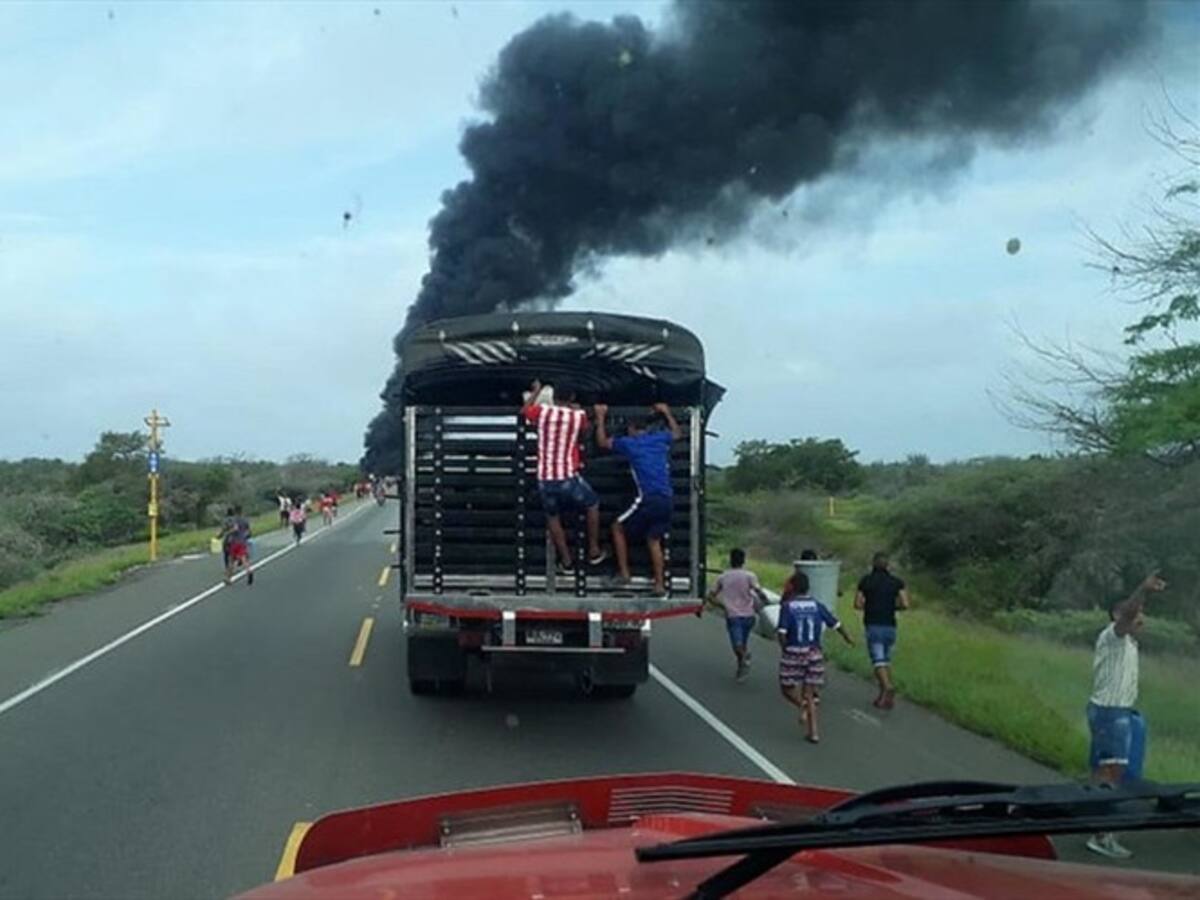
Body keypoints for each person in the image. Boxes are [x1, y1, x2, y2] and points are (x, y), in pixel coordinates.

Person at [1084, 573, 1168, 860]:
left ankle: (1093, 822)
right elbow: (1128, 612)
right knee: (1113, 772)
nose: (1140, 618)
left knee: (1104, 769)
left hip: (1114, 711)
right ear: (1120, 616)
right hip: (1110, 713)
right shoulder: (1114, 636)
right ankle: (1102, 835)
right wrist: (1142, 590)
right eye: (1137, 614)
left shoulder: (1129, 643)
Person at [594, 402, 678, 596]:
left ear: (632, 429)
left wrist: (600, 417)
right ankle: (659, 584)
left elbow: (602, 442)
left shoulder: (630, 444)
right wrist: (667, 412)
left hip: (647, 498)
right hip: (667, 499)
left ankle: (624, 573)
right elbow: (677, 434)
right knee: (653, 540)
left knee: (617, 527)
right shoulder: (659, 439)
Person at [521, 379, 606, 573]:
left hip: (544, 478)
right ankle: (593, 549)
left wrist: (535, 392)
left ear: (552, 397)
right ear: (572, 397)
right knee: (592, 504)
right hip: (567, 476)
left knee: (552, 517)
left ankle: (566, 560)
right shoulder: (578, 416)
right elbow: (586, 428)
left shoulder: (542, 412)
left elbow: (525, 412)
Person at [777, 571, 853, 743]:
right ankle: (814, 732)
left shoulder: (788, 606)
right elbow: (836, 624)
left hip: (795, 649)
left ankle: (801, 705)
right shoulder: (817, 605)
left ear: (793, 587)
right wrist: (847, 637)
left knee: (786, 688)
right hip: (814, 652)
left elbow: (782, 632)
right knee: (810, 693)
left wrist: (785, 649)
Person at [854, 552, 911, 709]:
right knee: (885, 660)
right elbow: (905, 604)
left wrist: (871, 605)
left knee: (877, 660)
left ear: (873, 563)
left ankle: (887, 687)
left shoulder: (866, 581)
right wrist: (892, 606)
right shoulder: (897, 582)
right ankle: (884, 698)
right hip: (890, 626)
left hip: (873, 624)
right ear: (888, 565)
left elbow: (858, 604)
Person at [704, 548, 768, 680]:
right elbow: (758, 591)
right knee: (742, 643)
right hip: (749, 615)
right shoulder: (750, 576)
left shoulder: (723, 577)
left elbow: (710, 595)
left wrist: (721, 606)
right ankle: (741, 666)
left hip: (733, 615)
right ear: (743, 561)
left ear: (730, 560)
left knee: (737, 645)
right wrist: (765, 601)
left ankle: (745, 658)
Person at [223, 504, 254, 586]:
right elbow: (249, 532)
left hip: (234, 542)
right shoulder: (245, 520)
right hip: (242, 541)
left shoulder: (234, 520)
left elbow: (235, 529)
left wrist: (228, 533)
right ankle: (249, 571)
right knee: (244, 558)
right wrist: (245, 537)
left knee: (231, 561)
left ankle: (228, 579)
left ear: (235, 511)